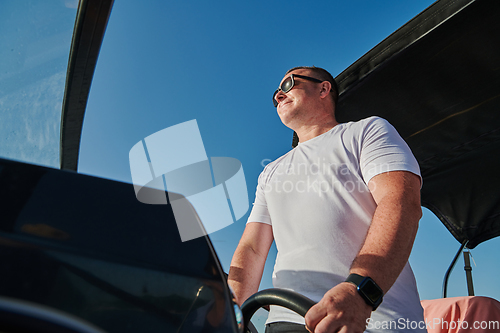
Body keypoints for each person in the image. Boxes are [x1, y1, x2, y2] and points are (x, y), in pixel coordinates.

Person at [228, 66, 426, 333]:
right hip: (286, 322)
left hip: (373, 320)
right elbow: (252, 248)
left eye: (287, 85)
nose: (278, 96)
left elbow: (400, 201)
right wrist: (226, 316)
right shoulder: (269, 172)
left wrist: (360, 291)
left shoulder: (367, 132)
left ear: (323, 88)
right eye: (275, 93)